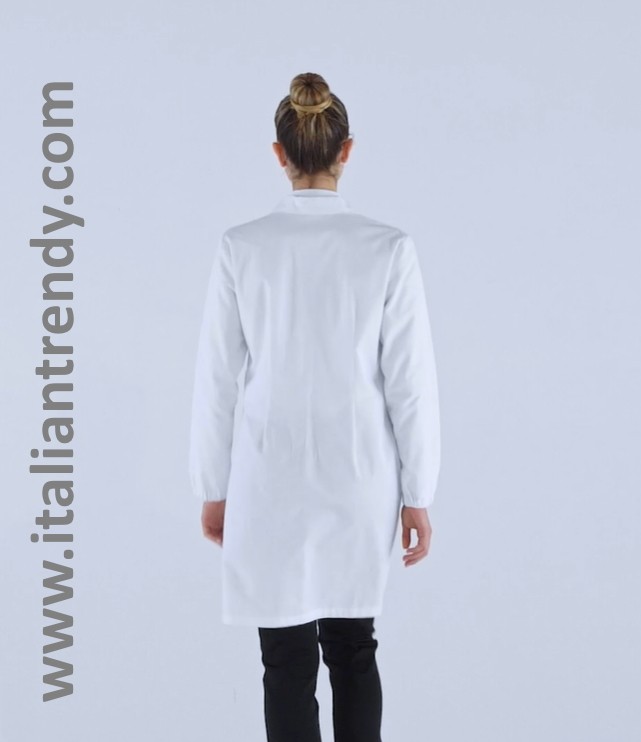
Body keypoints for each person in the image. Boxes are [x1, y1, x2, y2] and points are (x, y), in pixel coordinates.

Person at [188, 71, 441, 742]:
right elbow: (409, 383)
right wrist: (418, 492)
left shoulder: (242, 247)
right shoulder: (387, 248)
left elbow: (217, 378)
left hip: (267, 474)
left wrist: (212, 486)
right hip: (359, 473)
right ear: (346, 150)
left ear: (279, 154)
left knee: (284, 660)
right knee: (353, 649)